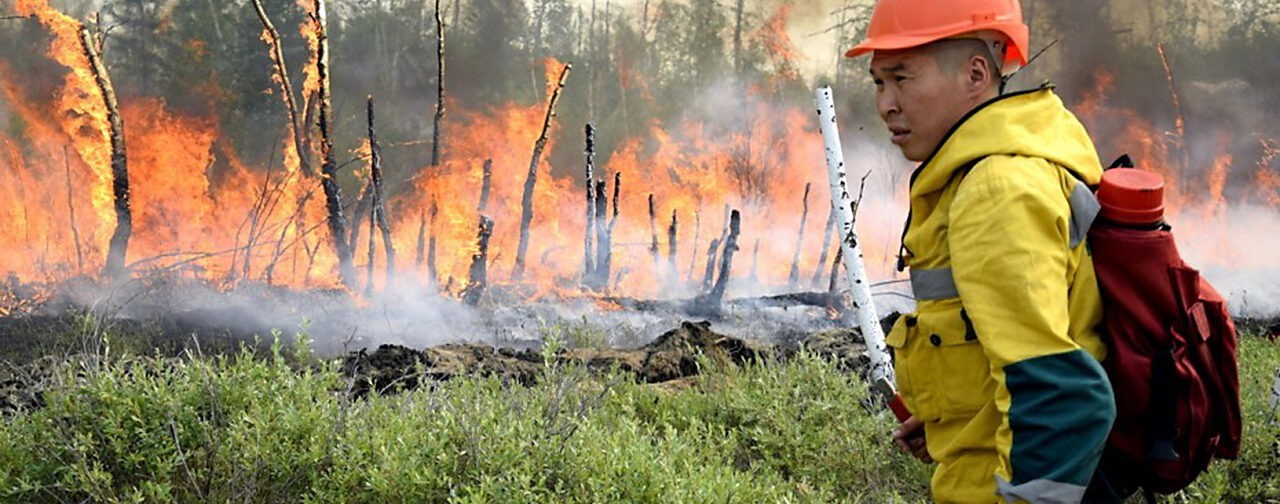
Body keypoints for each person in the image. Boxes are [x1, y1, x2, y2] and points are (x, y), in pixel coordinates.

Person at [844, 0, 1118, 502]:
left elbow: (1061, 394)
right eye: (878, 82)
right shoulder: (986, 172)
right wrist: (954, 420)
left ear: (975, 74)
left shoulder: (997, 191)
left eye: (902, 78)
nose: (885, 103)